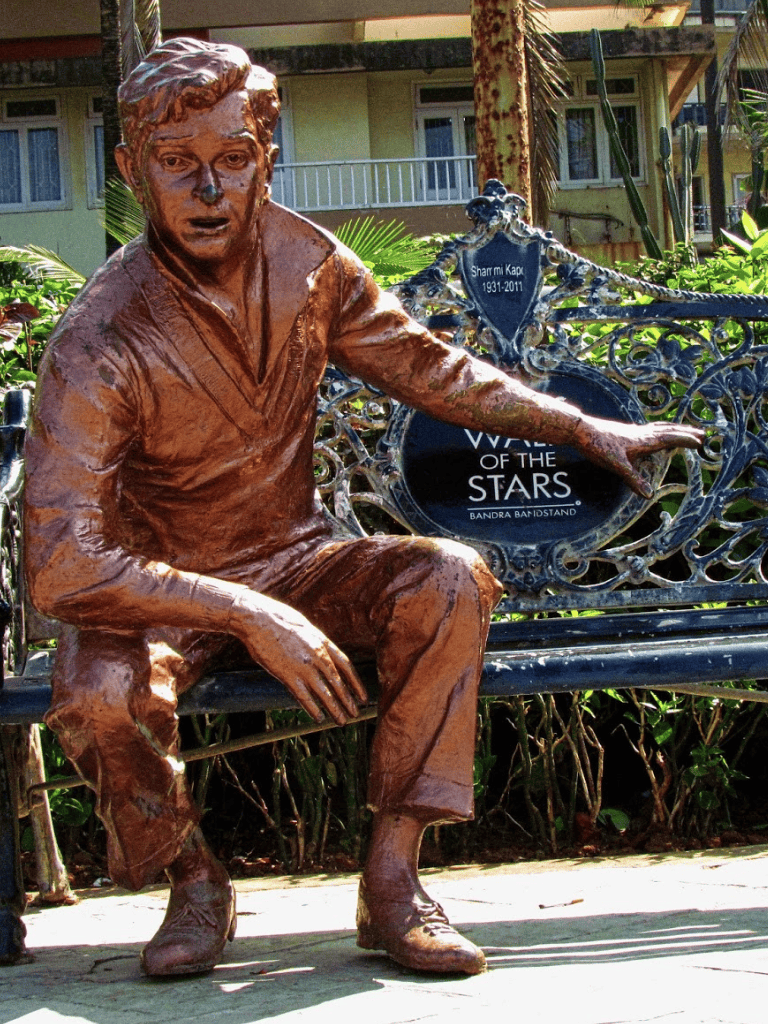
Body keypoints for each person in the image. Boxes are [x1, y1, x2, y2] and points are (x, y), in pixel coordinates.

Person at [23, 38, 703, 979]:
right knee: (98, 695)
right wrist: (247, 613)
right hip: (159, 593)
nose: (209, 190)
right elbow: (60, 563)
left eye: (233, 159)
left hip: (297, 559)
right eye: (178, 165)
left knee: (448, 579)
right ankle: (193, 882)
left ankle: (392, 881)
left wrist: (581, 427)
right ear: (133, 169)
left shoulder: (310, 267)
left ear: (268, 155)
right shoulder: (100, 336)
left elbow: (432, 369)